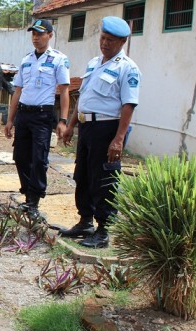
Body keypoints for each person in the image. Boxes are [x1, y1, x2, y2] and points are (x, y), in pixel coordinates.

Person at [58, 16, 141, 249]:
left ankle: (104, 231)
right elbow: (83, 98)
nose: (105, 43)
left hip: (108, 129)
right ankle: (85, 221)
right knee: (82, 175)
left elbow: (129, 105)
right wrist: (72, 125)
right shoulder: (94, 63)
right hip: (87, 127)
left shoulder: (128, 68)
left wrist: (119, 139)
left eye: (111, 40)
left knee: (104, 180)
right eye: (103, 38)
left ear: (123, 42)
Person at [4, 19, 70, 219]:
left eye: (40, 34)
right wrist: (10, 120)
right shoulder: (26, 60)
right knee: (20, 157)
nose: (36, 38)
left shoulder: (58, 59)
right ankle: (27, 196)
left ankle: (34, 202)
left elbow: (65, 91)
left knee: (39, 159)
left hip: (43, 115)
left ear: (50, 35)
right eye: (33, 34)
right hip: (23, 114)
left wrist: (63, 120)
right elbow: (17, 91)